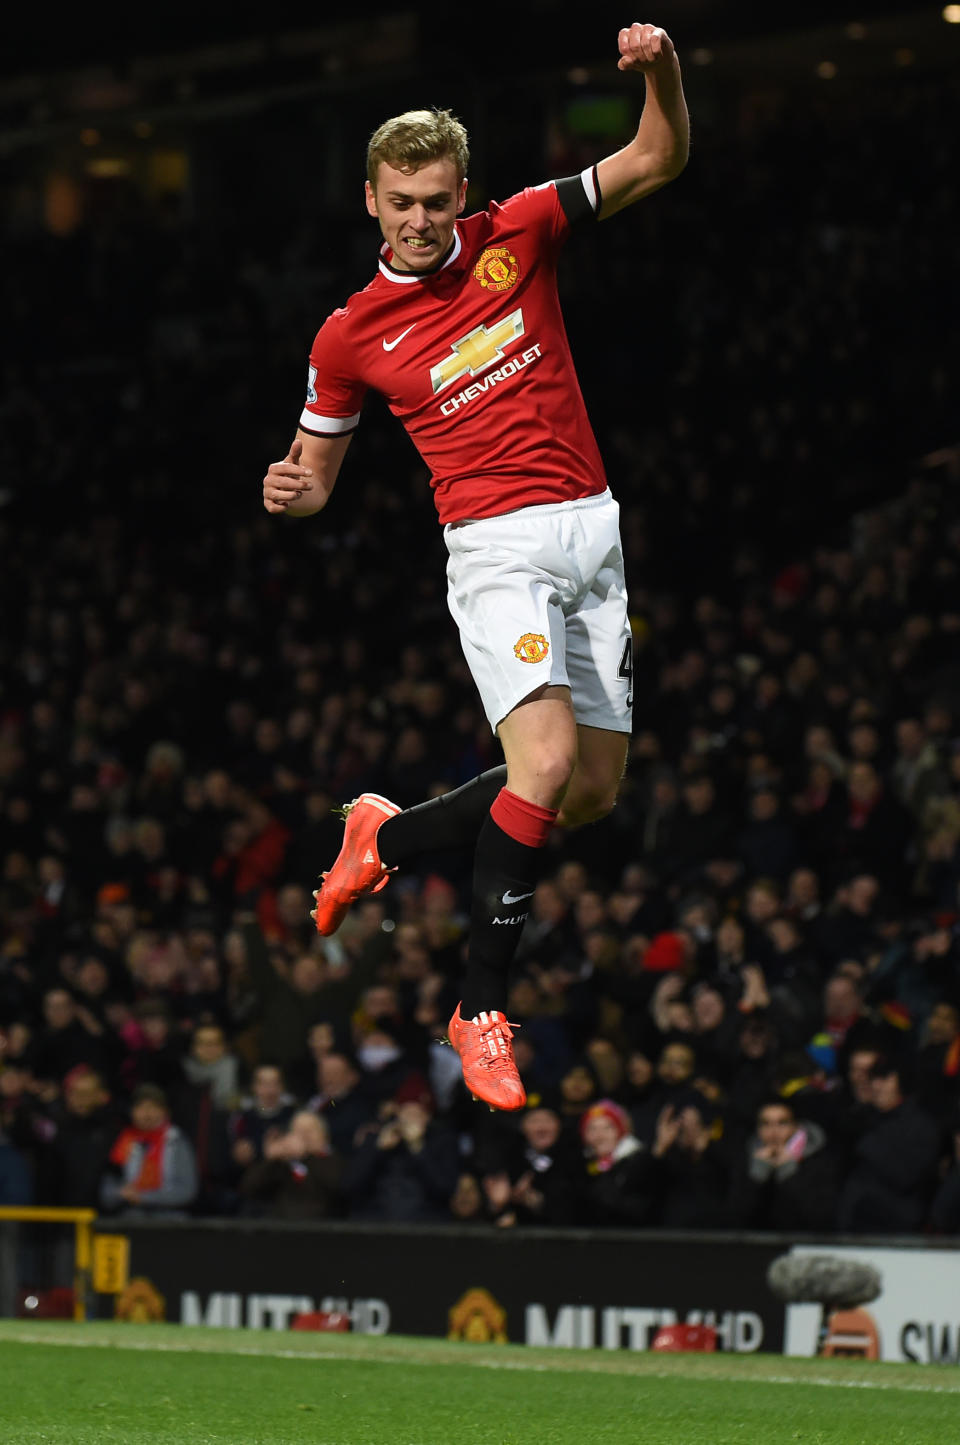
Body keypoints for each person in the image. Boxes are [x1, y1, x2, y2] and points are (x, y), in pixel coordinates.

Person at [261, 23, 689, 1112]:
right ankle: (479, 1006)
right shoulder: (349, 335)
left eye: (437, 202)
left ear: (463, 196)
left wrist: (662, 76)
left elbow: (656, 157)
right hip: (493, 545)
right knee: (540, 762)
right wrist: (294, 489)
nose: (418, 220)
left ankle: (386, 832)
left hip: (592, 532)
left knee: (587, 792)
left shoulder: (522, 231)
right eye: (400, 202)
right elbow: (317, 473)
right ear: (371, 199)